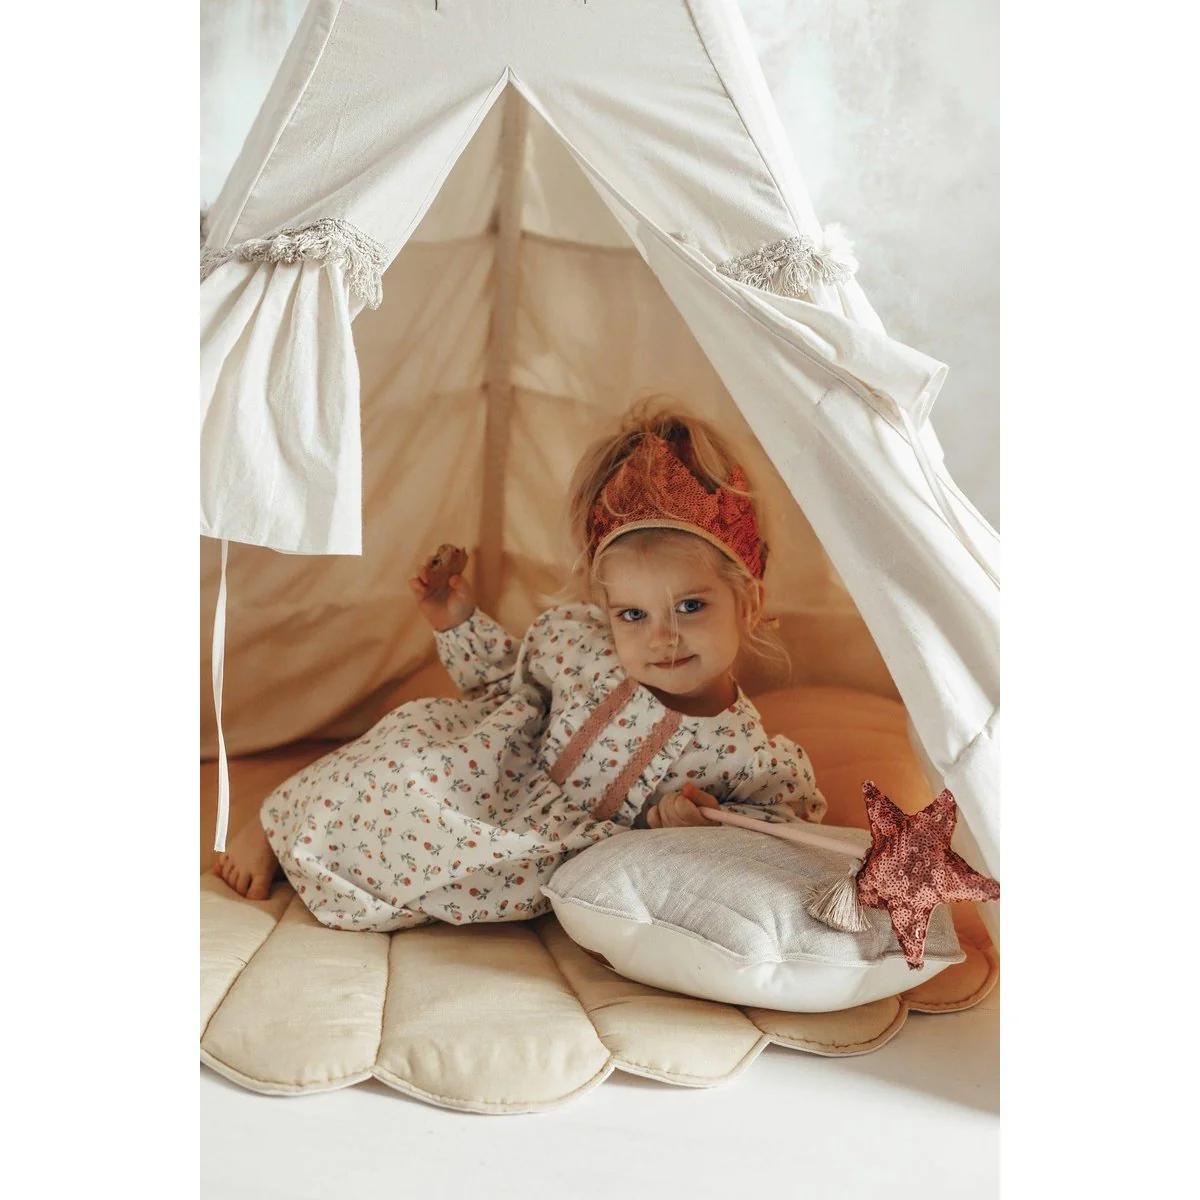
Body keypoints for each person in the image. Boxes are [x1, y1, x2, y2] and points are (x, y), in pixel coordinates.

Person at [213, 405, 828, 930]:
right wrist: (457, 621)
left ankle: (320, 849)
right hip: (490, 769)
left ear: (748, 603)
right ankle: (275, 820)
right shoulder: (586, 651)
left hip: (537, 846)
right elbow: (498, 686)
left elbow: (777, 833)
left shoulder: (743, 755)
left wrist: (696, 826)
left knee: (448, 873)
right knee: (392, 765)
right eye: (633, 614)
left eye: (690, 606)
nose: (662, 637)